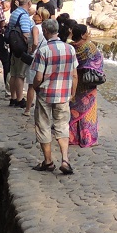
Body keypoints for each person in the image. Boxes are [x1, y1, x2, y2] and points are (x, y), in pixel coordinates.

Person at [29, 18, 77, 174]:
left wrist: (36, 88)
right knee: (62, 126)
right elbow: (74, 75)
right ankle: (65, 160)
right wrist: (72, 93)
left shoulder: (43, 51)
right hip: (63, 94)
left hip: (45, 93)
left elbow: (38, 77)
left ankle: (48, 161)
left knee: (43, 126)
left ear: (45, 31)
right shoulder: (70, 49)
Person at [69, 23, 103, 147]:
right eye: (86, 32)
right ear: (83, 34)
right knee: (88, 111)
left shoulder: (71, 46)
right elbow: (98, 61)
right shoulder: (89, 47)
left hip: (74, 82)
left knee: (74, 109)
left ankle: (73, 137)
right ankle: (87, 138)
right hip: (87, 83)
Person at [5, 0, 35, 109]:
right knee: (20, 75)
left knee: (13, 73)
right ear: (29, 3)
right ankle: (19, 99)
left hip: (13, 47)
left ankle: (13, 98)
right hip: (21, 48)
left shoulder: (14, 13)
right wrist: (30, 48)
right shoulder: (24, 15)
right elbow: (26, 34)